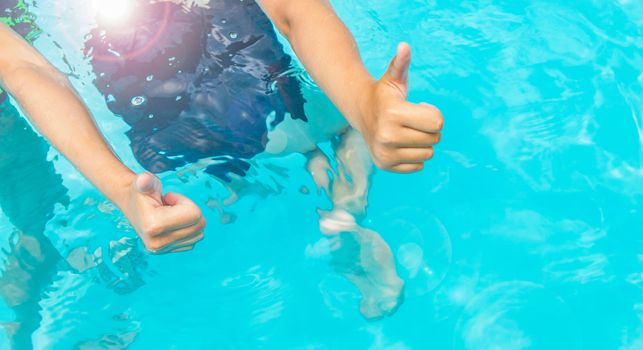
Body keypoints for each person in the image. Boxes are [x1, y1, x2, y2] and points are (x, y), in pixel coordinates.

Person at [0, 0, 443, 322]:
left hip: (161, 87)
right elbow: (25, 71)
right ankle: (343, 199)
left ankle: (322, 195)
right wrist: (360, 105)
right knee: (321, 126)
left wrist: (364, 104)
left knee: (261, 145)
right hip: (194, 56)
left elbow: (30, 71)